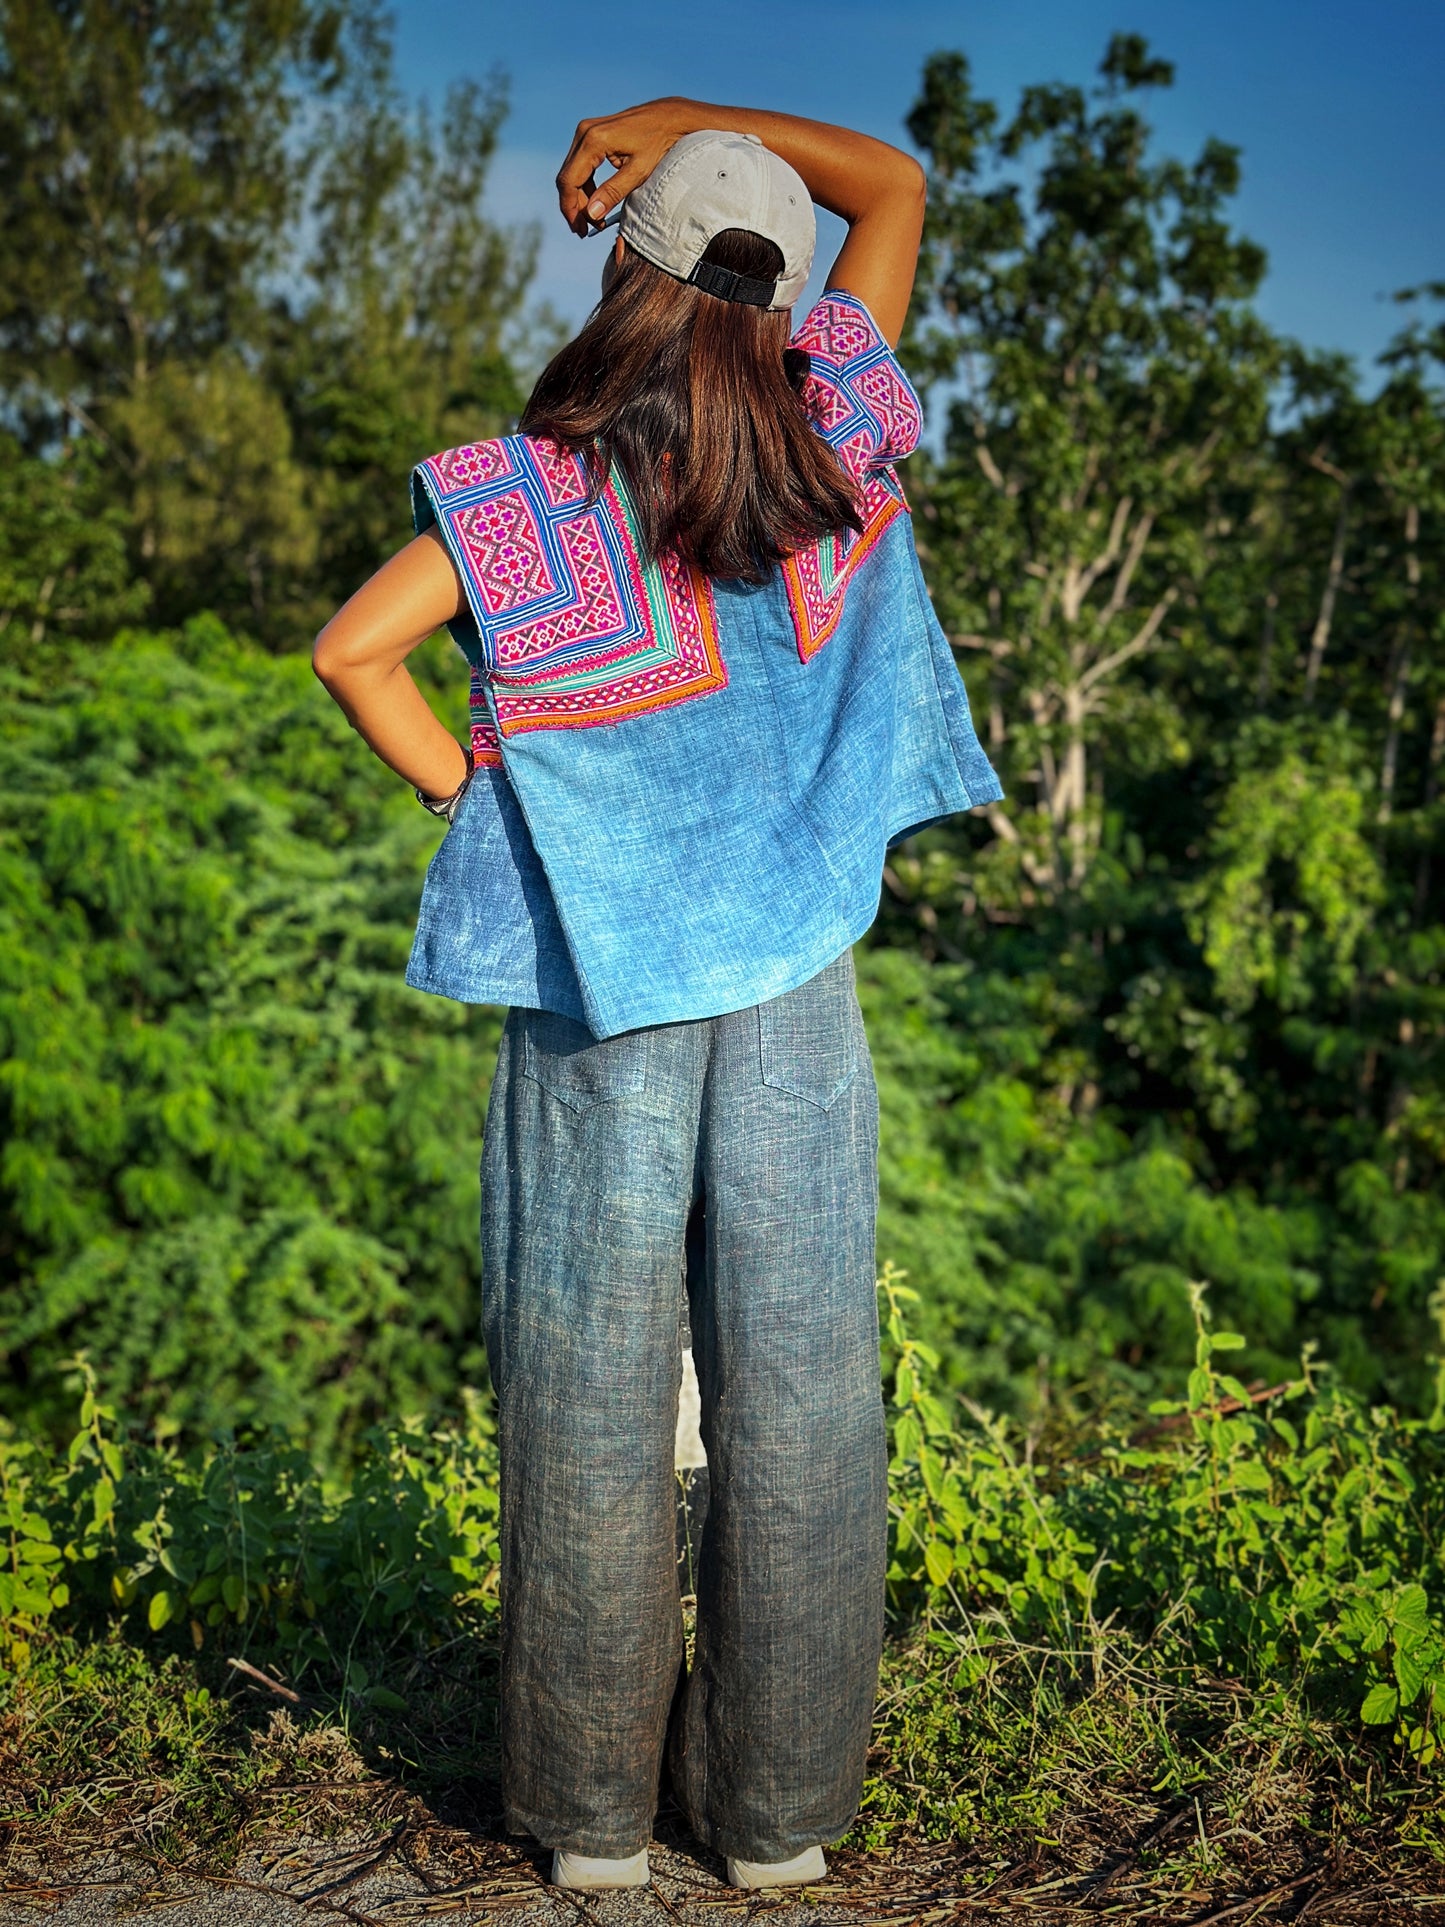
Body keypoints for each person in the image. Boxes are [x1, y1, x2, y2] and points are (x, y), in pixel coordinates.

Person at [312, 96, 1003, 1893]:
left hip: (599, 987)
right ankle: (774, 1827)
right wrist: (695, 124)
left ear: (624, 287)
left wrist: (483, 791)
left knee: (587, 1377)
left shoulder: (524, 498)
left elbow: (351, 654)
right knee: (799, 1386)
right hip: (793, 983)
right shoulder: (835, 425)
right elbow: (896, 186)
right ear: (780, 307)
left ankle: (592, 1827)